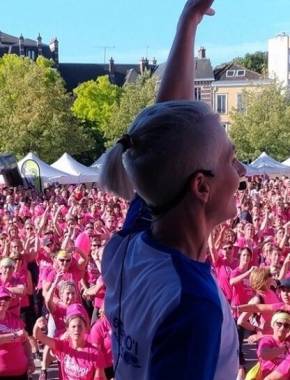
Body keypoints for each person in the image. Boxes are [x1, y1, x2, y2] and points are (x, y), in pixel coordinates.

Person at [100, 0, 245, 379]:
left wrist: (190, 20)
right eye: (231, 160)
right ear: (201, 186)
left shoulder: (136, 240)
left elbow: (164, 134)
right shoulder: (191, 306)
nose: (242, 170)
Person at [33, 303, 107, 380]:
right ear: (67, 329)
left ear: (85, 328)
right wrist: (37, 325)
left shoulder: (95, 353)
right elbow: (39, 336)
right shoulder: (63, 345)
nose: (76, 330)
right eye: (73, 326)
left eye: (80, 326)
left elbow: (100, 377)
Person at [0, 286, 34, 379]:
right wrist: (14, 335)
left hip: (21, 372)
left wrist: (30, 360)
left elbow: (25, 341)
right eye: (0, 298)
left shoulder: (14, 318)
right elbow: (18, 335)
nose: (3, 301)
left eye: (6, 299)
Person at [257, 311, 290, 380]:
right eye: (279, 324)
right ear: (273, 324)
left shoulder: (288, 341)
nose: (282, 328)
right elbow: (265, 355)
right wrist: (285, 348)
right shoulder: (267, 340)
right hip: (269, 377)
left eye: (286, 325)